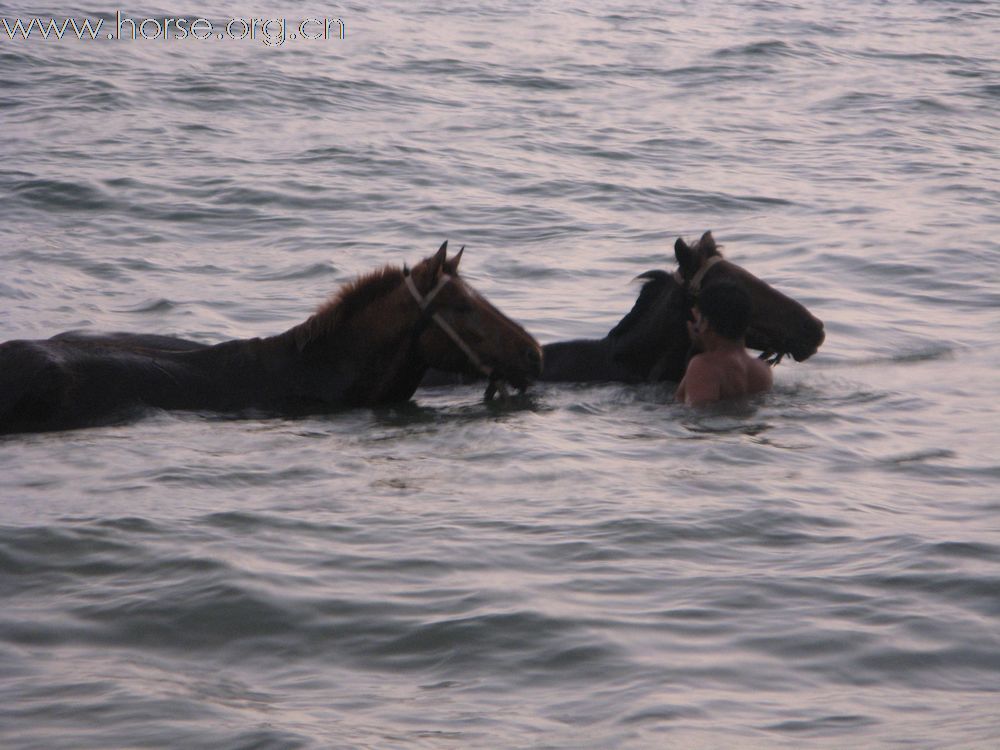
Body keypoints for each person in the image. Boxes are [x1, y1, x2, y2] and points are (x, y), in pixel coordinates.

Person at [675, 280, 772, 406]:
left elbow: (698, 416)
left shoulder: (703, 366)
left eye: (697, 318)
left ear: (705, 323)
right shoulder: (762, 369)